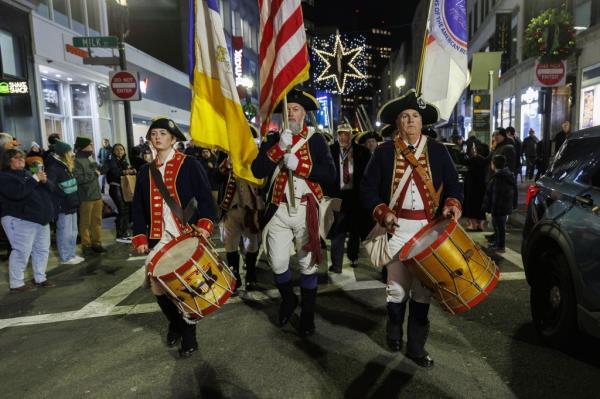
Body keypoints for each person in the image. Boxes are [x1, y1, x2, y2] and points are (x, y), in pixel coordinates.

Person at [361, 89, 463, 368]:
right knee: (396, 290)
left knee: (422, 292)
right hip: (397, 228)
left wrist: (452, 204)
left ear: (422, 121)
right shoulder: (383, 152)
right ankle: (394, 330)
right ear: (398, 123)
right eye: (404, 116)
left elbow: (454, 185)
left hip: (428, 229)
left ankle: (416, 346)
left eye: (414, 116)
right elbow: (368, 189)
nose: (410, 121)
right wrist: (383, 212)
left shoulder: (439, 150)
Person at [251, 88, 336, 337]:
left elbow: (330, 175)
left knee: (308, 266)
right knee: (277, 264)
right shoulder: (272, 139)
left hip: (307, 210)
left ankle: (308, 315)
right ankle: (288, 300)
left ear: (304, 114)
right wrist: (278, 148)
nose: (291, 114)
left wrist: (301, 166)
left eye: (296, 110)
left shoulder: (317, 139)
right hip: (278, 210)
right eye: (287, 111)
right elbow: (258, 170)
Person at [132, 117, 216, 358]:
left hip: (185, 234)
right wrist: (139, 236)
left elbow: (205, 197)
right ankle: (175, 323)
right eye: (154, 133)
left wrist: (205, 224)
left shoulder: (189, 164)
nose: (158, 137)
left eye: (163, 134)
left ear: (173, 139)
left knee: (186, 288)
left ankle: (189, 336)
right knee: (158, 288)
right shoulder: (144, 171)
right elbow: (137, 206)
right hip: (158, 237)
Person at [0, 149, 57, 291]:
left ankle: (40, 278)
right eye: (16, 157)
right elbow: (18, 193)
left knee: (42, 250)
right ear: (8, 161)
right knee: (21, 251)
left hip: (40, 219)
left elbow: (52, 189)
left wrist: (44, 181)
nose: (21, 159)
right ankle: (17, 283)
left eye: (22, 157)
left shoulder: (27, 174)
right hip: (19, 219)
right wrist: (36, 179)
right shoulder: (4, 177)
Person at [217, 125, 263, 291]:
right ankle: (234, 277)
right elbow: (215, 177)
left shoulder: (258, 156)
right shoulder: (225, 154)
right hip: (231, 209)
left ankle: (251, 275)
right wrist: (226, 164)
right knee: (230, 245)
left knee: (252, 243)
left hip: (252, 209)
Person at [327, 123, 370, 273]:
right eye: (341, 134)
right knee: (337, 230)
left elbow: (367, 175)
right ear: (337, 135)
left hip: (355, 197)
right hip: (338, 196)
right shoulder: (330, 151)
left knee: (354, 231)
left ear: (351, 135)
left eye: (346, 134)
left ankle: (353, 256)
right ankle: (336, 264)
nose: (343, 137)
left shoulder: (362, 152)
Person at [46, 141, 84, 265]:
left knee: (73, 231)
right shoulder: (54, 167)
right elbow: (51, 186)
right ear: (64, 153)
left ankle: (71, 254)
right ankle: (65, 257)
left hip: (71, 202)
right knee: (64, 231)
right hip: (63, 204)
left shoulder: (65, 165)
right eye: (69, 152)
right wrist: (63, 193)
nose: (72, 154)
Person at [73, 136, 106, 255]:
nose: (91, 147)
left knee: (97, 221)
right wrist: (94, 174)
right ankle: (86, 245)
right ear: (83, 147)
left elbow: (97, 170)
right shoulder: (76, 161)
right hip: (86, 197)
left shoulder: (90, 159)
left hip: (96, 195)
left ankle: (97, 243)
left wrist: (101, 168)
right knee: (85, 222)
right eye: (89, 145)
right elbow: (78, 179)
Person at [482, 155, 518, 253]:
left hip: (499, 208)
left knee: (500, 227)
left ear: (494, 164)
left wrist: (492, 208)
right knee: (498, 226)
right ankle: (497, 243)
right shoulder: (505, 176)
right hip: (503, 206)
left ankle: (500, 246)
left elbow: (496, 196)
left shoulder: (499, 178)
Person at [104, 143, 136, 243]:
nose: (120, 151)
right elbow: (115, 172)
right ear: (113, 151)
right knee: (122, 209)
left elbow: (128, 169)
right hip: (115, 187)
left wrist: (131, 170)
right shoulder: (111, 160)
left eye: (121, 149)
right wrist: (127, 172)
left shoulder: (123, 161)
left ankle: (125, 233)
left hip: (123, 188)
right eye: (117, 149)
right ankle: (120, 234)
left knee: (126, 209)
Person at [461, 138, 489, 231]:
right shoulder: (485, 161)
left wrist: (463, 151)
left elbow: (462, 160)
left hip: (472, 186)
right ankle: (480, 225)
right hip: (482, 186)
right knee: (480, 206)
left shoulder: (474, 159)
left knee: (472, 206)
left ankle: (473, 225)